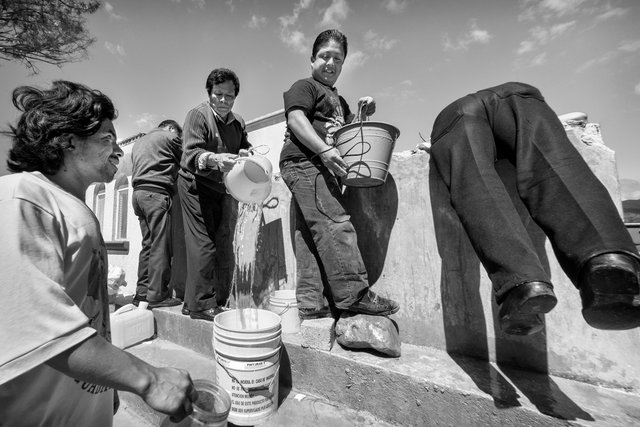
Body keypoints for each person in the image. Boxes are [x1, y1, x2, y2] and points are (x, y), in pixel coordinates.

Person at [0, 80, 197, 426]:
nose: (118, 151)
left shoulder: (74, 207)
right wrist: (147, 378)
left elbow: (83, 314)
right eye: (107, 138)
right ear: (68, 141)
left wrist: (108, 384)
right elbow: (33, 324)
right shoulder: (23, 195)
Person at [428, 81, 640, 336]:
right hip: (516, 95)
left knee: (474, 183)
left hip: (453, 117)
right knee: (553, 164)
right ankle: (605, 256)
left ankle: (520, 283)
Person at [279, 29, 399, 320]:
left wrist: (362, 112)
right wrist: (322, 150)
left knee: (309, 234)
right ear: (312, 60)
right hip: (304, 162)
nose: (330, 63)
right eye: (324, 56)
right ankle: (353, 293)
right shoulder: (304, 87)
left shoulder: (340, 101)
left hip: (321, 166)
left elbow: (351, 135)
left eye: (337, 58)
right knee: (335, 222)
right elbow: (296, 118)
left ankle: (311, 302)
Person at [178, 68, 251, 321]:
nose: (223, 100)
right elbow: (190, 156)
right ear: (209, 93)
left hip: (222, 187)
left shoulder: (238, 122)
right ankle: (201, 305)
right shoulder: (197, 116)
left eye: (229, 96)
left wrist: (246, 155)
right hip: (194, 184)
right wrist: (214, 159)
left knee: (222, 243)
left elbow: (245, 147)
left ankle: (196, 301)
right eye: (218, 94)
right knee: (203, 242)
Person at [131, 119, 183, 309]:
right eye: (179, 134)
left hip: (138, 195)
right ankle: (157, 296)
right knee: (161, 245)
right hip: (156, 194)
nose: (178, 138)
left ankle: (141, 294)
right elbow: (189, 158)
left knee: (148, 245)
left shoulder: (140, 142)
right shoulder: (169, 136)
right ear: (171, 128)